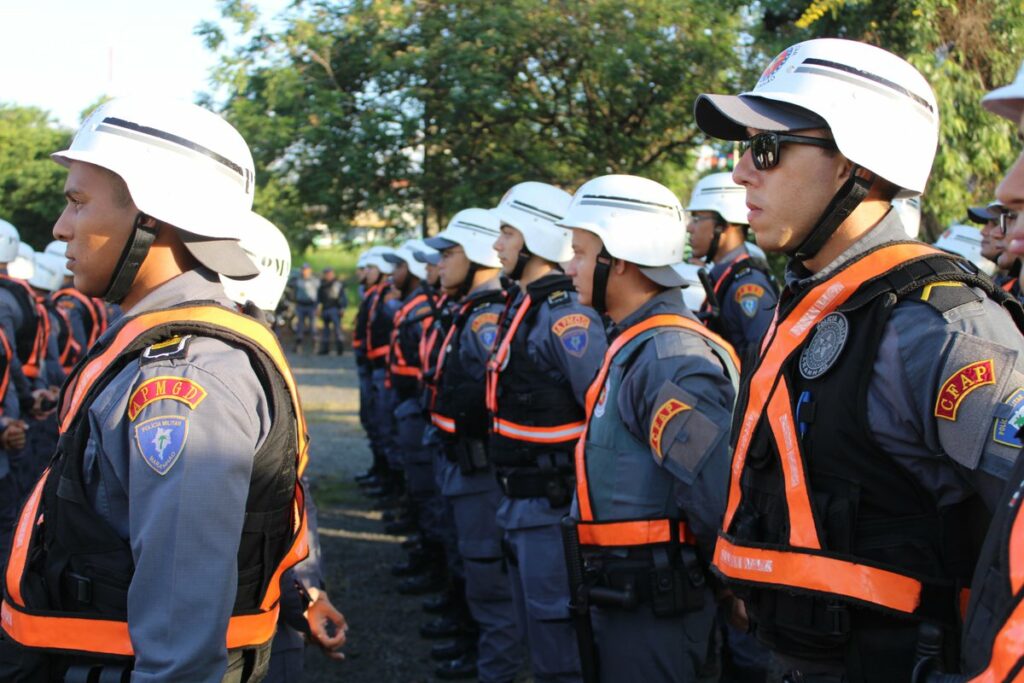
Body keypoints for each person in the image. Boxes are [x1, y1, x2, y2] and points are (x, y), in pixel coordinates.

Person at [693, 38, 1024, 681]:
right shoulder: (810, 303)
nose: (741, 174)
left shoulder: (942, 328)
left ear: (857, 167)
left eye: (766, 148)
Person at [0, 96, 309, 683]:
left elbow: (180, 649)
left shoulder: (183, 379)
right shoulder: (151, 345)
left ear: (153, 215)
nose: (60, 227)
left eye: (77, 201)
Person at [560, 174, 739, 682]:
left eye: (579, 252)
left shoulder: (667, 360)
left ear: (618, 259)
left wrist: (731, 586)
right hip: (628, 598)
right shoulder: (636, 347)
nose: (568, 266)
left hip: (657, 608)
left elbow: (712, 489)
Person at [487, 181, 607, 683]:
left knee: (560, 653)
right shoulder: (525, 305)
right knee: (537, 638)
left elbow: (601, 410)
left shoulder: (565, 316)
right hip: (522, 504)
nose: (497, 246)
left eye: (507, 233)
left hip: (552, 509)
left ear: (534, 236)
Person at [220, 212, 348, 682]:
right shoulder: (253, 354)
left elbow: (286, 495)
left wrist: (305, 592)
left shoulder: (236, 364)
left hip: (242, 621)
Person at [424, 209, 524, 682]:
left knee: (490, 580)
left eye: (450, 254)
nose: (441, 264)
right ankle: (478, 651)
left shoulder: (487, 314)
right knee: (474, 567)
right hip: (463, 465)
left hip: (482, 473)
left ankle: (495, 670)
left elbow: (498, 391)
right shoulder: (470, 307)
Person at [686, 172, 778, 363]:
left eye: (697, 218)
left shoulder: (748, 287)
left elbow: (766, 361)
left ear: (724, 226)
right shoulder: (723, 277)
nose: (689, 228)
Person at [317, 267, 347, 355]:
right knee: (325, 330)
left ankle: (340, 349)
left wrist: (342, 308)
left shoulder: (338, 284)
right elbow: (319, 298)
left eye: (329, 274)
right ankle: (325, 349)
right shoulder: (322, 285)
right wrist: (318, 308)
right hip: (325, 309)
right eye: (326, 274)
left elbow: (343, 297)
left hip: (335, 309)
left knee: (337, 330)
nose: (328, 275)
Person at [293, 263, 319, 353]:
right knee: (300, 326)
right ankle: (298, 346)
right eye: (303, 270)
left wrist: (318, 306)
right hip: (300, 305)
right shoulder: (297, 280)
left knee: (313, 327)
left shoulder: (315, 281)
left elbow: (319, 293)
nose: (304, 271)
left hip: (311, 306)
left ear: (310, 270)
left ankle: (315, 346)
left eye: (306, 270)